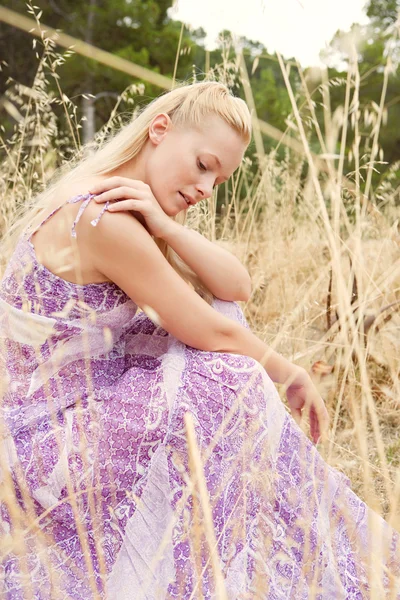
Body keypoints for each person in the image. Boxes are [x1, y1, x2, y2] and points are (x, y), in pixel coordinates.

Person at [0, 80, 398, 599]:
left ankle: (259, 560)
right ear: (160, 130)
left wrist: (167, 227)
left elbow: (237, 286)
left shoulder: (126, 208)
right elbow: (209, 330)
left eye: (221, 179)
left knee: (222, 338)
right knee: (228, 378)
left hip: (74, 415)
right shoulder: (103, 217)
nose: (208, 187)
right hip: (43, 439)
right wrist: (291, 374)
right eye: (204, 164)